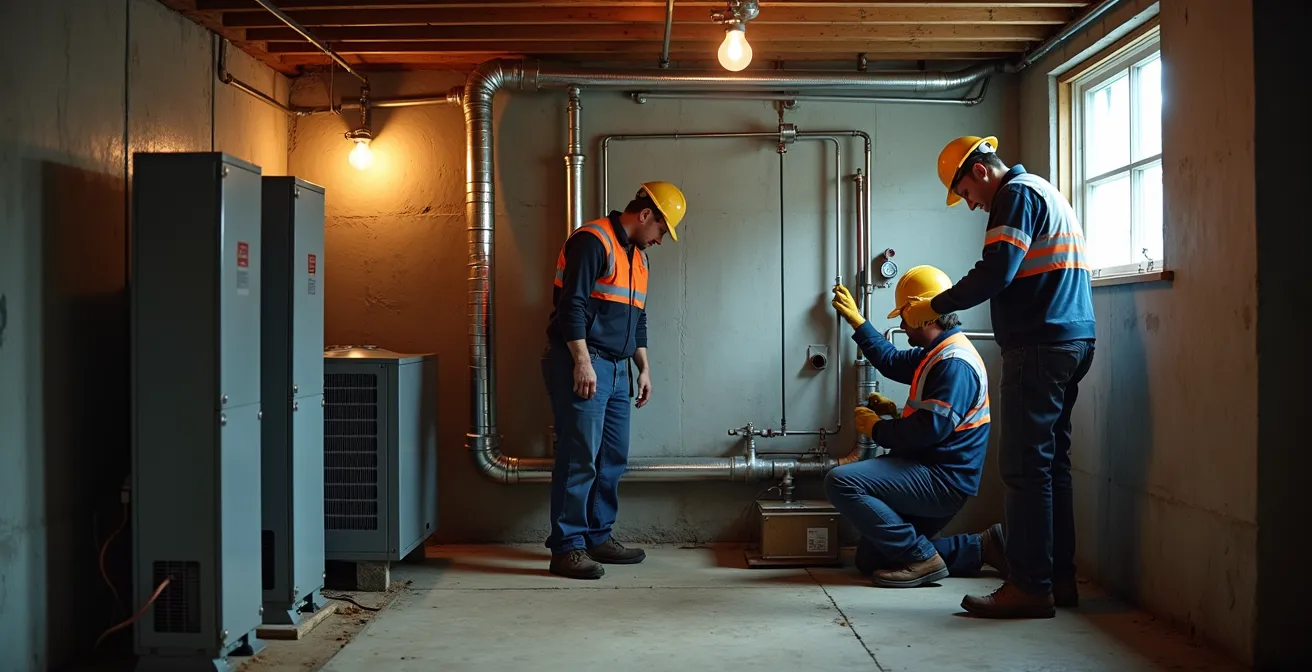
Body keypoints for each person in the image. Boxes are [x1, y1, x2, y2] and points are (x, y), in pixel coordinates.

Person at [900, 136, 1096, 617]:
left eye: (965, 192)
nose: (970, 203)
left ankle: (1029, 586)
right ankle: (1057, 580)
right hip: (1073, 339)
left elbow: (997, 270)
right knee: (1051, 467)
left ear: (980, 172)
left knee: (1024, 468)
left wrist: (937, 304)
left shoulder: (1014, 194)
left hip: (1040, 343)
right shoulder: (1043, 190)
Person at [825, 265, 1006, 588]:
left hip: (941, 482)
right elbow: (893, 362)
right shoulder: (936, 352)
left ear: (922, 313)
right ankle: (980, 548)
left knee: (841, 482)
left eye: (904, 315)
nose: (901, 323)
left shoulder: (954, 364)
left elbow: (931, 431)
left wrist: (878, 429)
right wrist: (859, 323)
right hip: (930, 470)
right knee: (872, 557)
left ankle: (923, 559)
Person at [541, 181, 687, 580]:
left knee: (611, 458)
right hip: (584, 363)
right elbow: (571, 305)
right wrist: (582, 362)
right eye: (661, 229)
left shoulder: (638, 259)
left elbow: (636, 318)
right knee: (579, 457)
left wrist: (644, 368)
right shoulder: (593, 241)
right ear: (645, 215)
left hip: (617, 368)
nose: (661, 240)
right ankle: (567, 547)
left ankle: (596, 536)